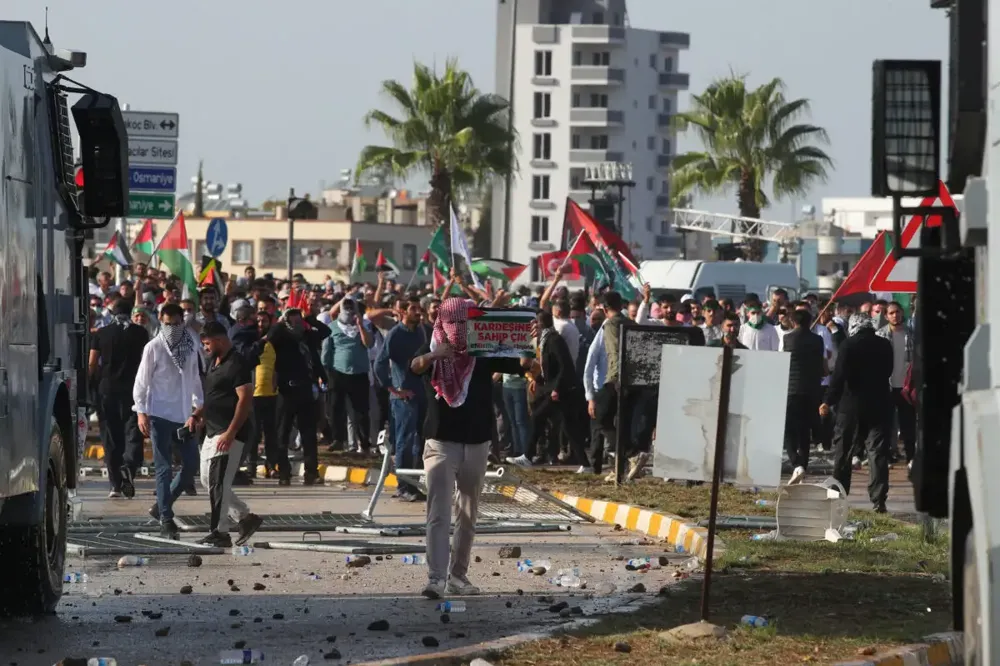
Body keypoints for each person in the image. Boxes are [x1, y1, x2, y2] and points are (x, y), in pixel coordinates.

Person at [409, 298, 530, 600]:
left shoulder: (483, 350)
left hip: (477, 441)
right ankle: (435, 578)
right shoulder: (434, 346)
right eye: (454, 322)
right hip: (441, 442)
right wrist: (434, 356)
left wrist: (529, 341)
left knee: (467, 513)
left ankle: (457, 576)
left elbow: (522, 363)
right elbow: (414, 366)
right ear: (443, 323)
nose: (460, 329)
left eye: (465, 322)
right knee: (438, 514)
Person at [134, 303, 203, 539]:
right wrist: (141, 412)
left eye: (176, 323)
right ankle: (166, 517)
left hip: (184, 416)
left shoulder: (191, 346)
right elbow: (141, 382)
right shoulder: (153, 347)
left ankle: (162, 505)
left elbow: (194, 378)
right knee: (163, 468)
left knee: (191, 465)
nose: (172, 328)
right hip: (159, 415)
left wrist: (198, 407)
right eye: (167, 324)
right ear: (160, 322)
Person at [194, 322, 263, 547]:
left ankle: (220, 532)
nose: (204, 347)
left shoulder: (237, 363)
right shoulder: (214, 362)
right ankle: (245, 518)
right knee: (208, 480)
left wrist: (231, 432)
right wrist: (198, 414)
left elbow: (245, 400)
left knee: (218, 483)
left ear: (220, 340)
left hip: (230, 433)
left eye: (207, 343)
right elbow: (213, 395)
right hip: (212, 431)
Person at [820, 313, 894, 513]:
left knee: (843, 452)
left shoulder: (848, 345)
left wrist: (828, 401)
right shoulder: (885, 345)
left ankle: (838, 496)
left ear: (853, 326)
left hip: (851, 407)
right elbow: (889, 371)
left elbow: (839, 376)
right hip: (879, 405)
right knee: (877, 454)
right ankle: (879, 500)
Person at [89, 299, 150, 498]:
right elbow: (145, 362)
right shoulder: (141, 333)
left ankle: (115, 484)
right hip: (133, 390)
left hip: (107, 391)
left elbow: (92, 364)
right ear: (130, 312)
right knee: (133, 433)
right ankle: (129, 467)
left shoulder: (101, 334)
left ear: (112, 312)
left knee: (110, 436)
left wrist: (91, 385)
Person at [268, 307, 332, 485]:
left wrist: (310, 319)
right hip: (286, 392)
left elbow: (326, 331)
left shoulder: (309, 337)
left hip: (306, 390)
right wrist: (281, 323)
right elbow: (270, 337)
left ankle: (311, 472)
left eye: (299, 321)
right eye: (293, 321)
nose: (297, 325)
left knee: (309, 434)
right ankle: (284, 473)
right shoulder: (281, 338)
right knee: (282, 434)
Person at [375, 298, 428, 501]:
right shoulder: (396, 334)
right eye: (413, 309)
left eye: (418, 309)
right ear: (403, 312)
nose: (418, 312)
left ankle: (414, 484)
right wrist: (395, 389)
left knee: (421, 441)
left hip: (422, 393)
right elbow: (380, 364)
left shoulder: (421, 331)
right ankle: (403, 486)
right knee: (404, 442)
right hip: (404, 398)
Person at [322, 297, 374, 453]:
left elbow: (369, 344)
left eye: (353, 308)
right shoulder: (332, 327)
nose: (350, 311)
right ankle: (338, 439)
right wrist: (324, 374)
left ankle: (364, 443)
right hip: (337, 373)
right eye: (347, 308)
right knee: (336, 408)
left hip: (359, 373)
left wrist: (360, 326)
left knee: (361, 411)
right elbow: (326, 353)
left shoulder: (364, 326)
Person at [781, 309, 827, 484]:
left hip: (792, 390)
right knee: (805, 431)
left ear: (793, 322)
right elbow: (821, 364)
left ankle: (796, 463)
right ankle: (803, 467)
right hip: (812, 390)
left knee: (789, 430)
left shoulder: (787, 339)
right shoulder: (818, 340)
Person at [878, 301, 916, 467]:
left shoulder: (912, 334)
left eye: (898, 312)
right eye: (891, 313)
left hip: (906, 387)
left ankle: (911, 457)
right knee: (885, 424)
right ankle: (886, 456)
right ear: (886, 316)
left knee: (908, 425)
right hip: (886, 386)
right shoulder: (880, 335)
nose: (895, 315)